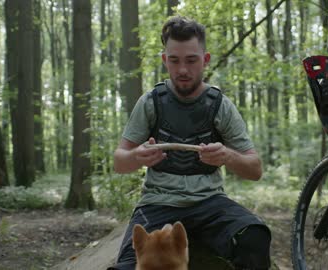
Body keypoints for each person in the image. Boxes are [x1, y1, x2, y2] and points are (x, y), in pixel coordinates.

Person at [109, 15, 271, 270]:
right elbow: (119, 162)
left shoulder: (220, 105)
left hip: (210, 203)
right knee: (128, 265)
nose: (183, 70)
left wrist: (227, 156)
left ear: (205, 60)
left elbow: (255, 169)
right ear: (165, 60)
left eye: (191, 60)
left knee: (254, 237)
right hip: (157, 203)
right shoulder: (151, 102)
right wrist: (136, 157)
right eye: (174, 60)